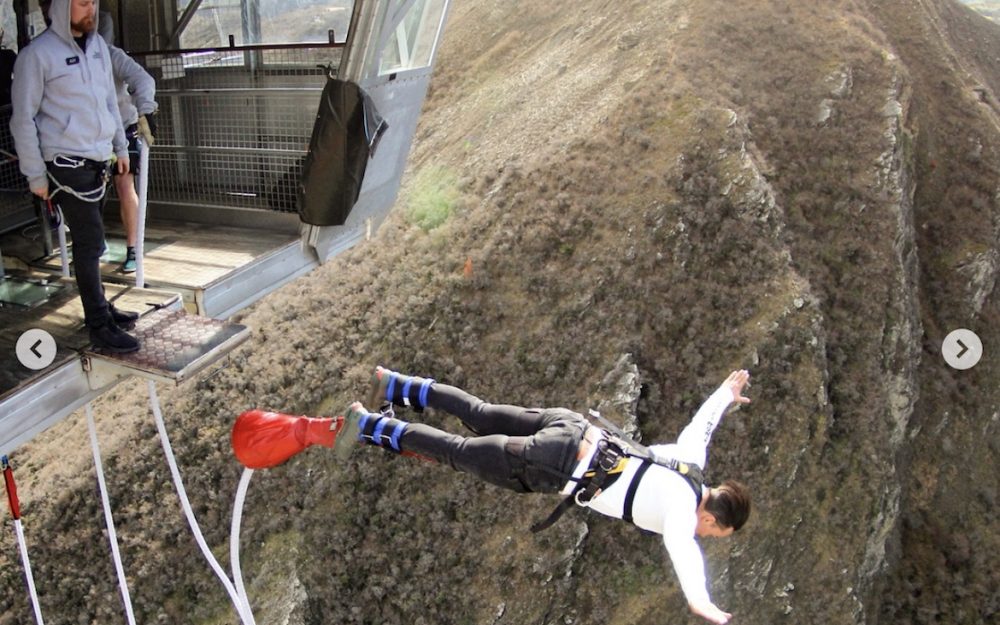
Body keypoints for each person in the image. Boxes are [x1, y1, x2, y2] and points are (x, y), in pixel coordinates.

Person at [232, 367, 754, 625]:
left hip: (572, 427)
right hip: (554, 464)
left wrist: (726, 394)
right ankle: (373, 426)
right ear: (714, 518)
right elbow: (685, 554)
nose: (704, 536)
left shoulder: (692, 465)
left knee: (479, 412)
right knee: (459, 450)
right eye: (715, 532)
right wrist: (702, 603)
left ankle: (397, 384)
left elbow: (703, 425)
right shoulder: (685, 518)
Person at [10, 0, 139, 352]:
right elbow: (22, 119)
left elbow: (110, 102)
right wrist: (35, 173)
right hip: (66, 164)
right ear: (61, 7)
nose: (91, 8)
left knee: (93, 242)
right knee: (89, 242)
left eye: (94, 2)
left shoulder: (97, 47)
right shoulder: (36, 57)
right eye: (82, 2)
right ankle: (98, 324)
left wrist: (121, 147)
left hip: (99, 159)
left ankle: (102, 310)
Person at [98, 10, 157, 274]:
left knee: (124, 184)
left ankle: (133, 248)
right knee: (91, 191)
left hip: (124, 126)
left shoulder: (111, 56)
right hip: (92, 134)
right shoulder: (60, 58)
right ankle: (94, 244)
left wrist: (146, 110)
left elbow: (143, 79)